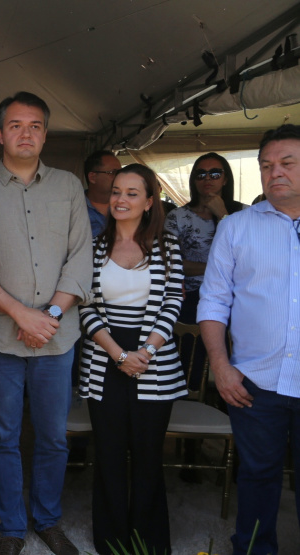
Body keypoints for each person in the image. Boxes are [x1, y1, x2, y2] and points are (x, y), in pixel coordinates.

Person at [0, 92, 91, 555]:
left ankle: (48, 520)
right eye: (15, 125)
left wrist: (48, 315)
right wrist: (20, 313)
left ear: (46, 134)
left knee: (53, 437)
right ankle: (12, 528)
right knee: (5, 437)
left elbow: (81, 257)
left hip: (57, 336)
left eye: (34, 125)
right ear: (0, 134)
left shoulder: (69, 186)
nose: (25, 133)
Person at [198, 124, 300, 555]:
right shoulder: (236, 228)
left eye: (287, 163)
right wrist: (221, 368)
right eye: (266, 165)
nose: (274, 172)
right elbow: (213, 303)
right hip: (254, 382)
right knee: (257, 477)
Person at [78, 164, 186, 555]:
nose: (121, 200)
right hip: (105, 356)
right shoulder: (91, 245)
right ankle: (110, 541)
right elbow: (84, 305)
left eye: (132, 193)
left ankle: (148, 542)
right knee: (108, 454)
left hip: (152, 360)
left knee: (146, 455)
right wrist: (118, 353)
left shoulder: (167, 244)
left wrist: (146, 351)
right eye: (117, 191)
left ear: (149, 201)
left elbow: (174, 299)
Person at [164, 154, 246, 387]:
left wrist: (222, 215)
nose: (207, 178)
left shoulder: (244, 214)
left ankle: (231, 404)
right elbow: (173, 265)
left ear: (225, 178)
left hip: (237, 297)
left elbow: (248, 259)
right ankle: (191, 399)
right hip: (191, 296)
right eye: (200, 173)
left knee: (237, 359)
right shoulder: (177, 217)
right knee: (191, 361)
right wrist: (219, 268)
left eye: (214, 173)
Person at [83, 150, 122, 236]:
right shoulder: (73, 207)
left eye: (120, 173)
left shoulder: (126, 206)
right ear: (92, 177)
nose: (119, 177)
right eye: (113, 173)